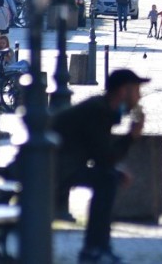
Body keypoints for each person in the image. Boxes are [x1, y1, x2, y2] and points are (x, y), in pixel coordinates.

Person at [52, 69, 149, 264]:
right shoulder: (99, 111)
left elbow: (101, 155)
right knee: (107, 180)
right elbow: (105, 158)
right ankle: (95, 248)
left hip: (58, 165)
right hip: (53, 168)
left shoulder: (101, 108)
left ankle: (97, 247)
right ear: (123, 91)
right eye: (137, 90)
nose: (139, 97)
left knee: (108, 177)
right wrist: (130, 137)